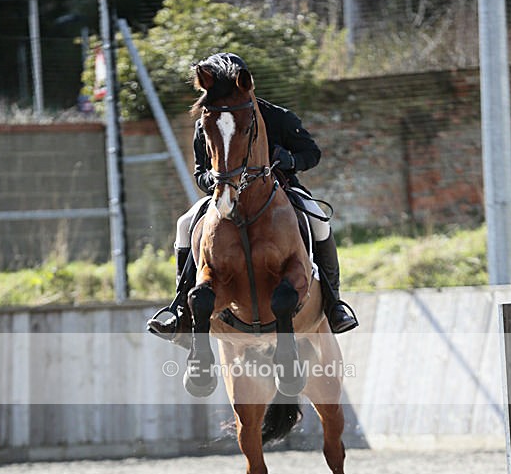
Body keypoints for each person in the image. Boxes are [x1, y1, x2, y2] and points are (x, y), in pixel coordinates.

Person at [148, 52, 358, 339]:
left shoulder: (277, 117)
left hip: (279, 188)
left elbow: (312, 154)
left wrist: (289, 160)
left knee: (319, 218)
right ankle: (181, 310)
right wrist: (214, 179)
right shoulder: (206, 123)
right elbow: (200, 172)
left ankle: (334, 303)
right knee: (185, 224)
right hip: (225, 191)